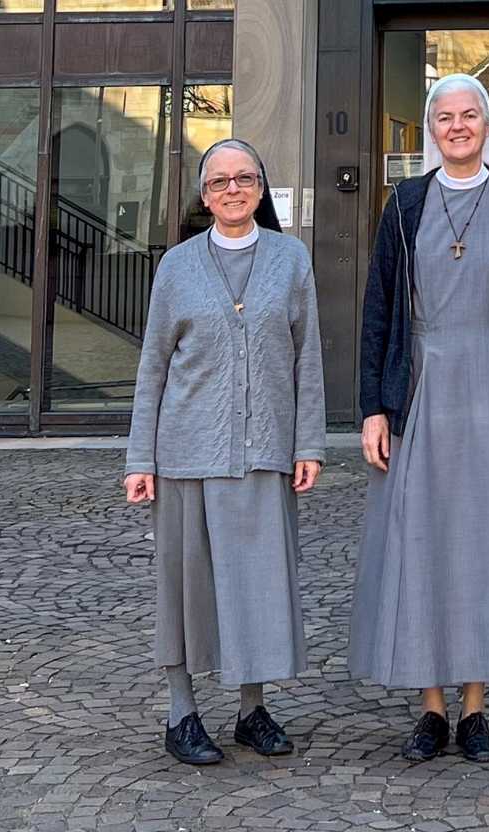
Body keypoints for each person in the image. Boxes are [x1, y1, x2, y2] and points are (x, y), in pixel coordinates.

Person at [349, 73, 489, 765]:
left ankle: (475, 708)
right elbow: (378, 308)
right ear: (431, 130)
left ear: (488, 125)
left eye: (470, 116)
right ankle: (430, 707)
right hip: (423, 387)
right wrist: (373, 406)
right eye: (446, 117)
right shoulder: (403, 204)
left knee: (483, 543)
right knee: (423, 541)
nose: (458, 126)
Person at [124, 138, 325, 766]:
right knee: (185, 590)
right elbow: (153, 365)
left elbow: (308, 359)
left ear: (261, 188)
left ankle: (250, 710)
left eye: (244, 179)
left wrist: (309, 443)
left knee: (257, 587)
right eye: (218, 182)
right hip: (184, 453)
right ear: (204, 196)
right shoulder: (177, 267)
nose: (232, 190)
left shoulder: (291, 261)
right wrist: (140, 459)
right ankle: (181, 712)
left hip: (264, 451)